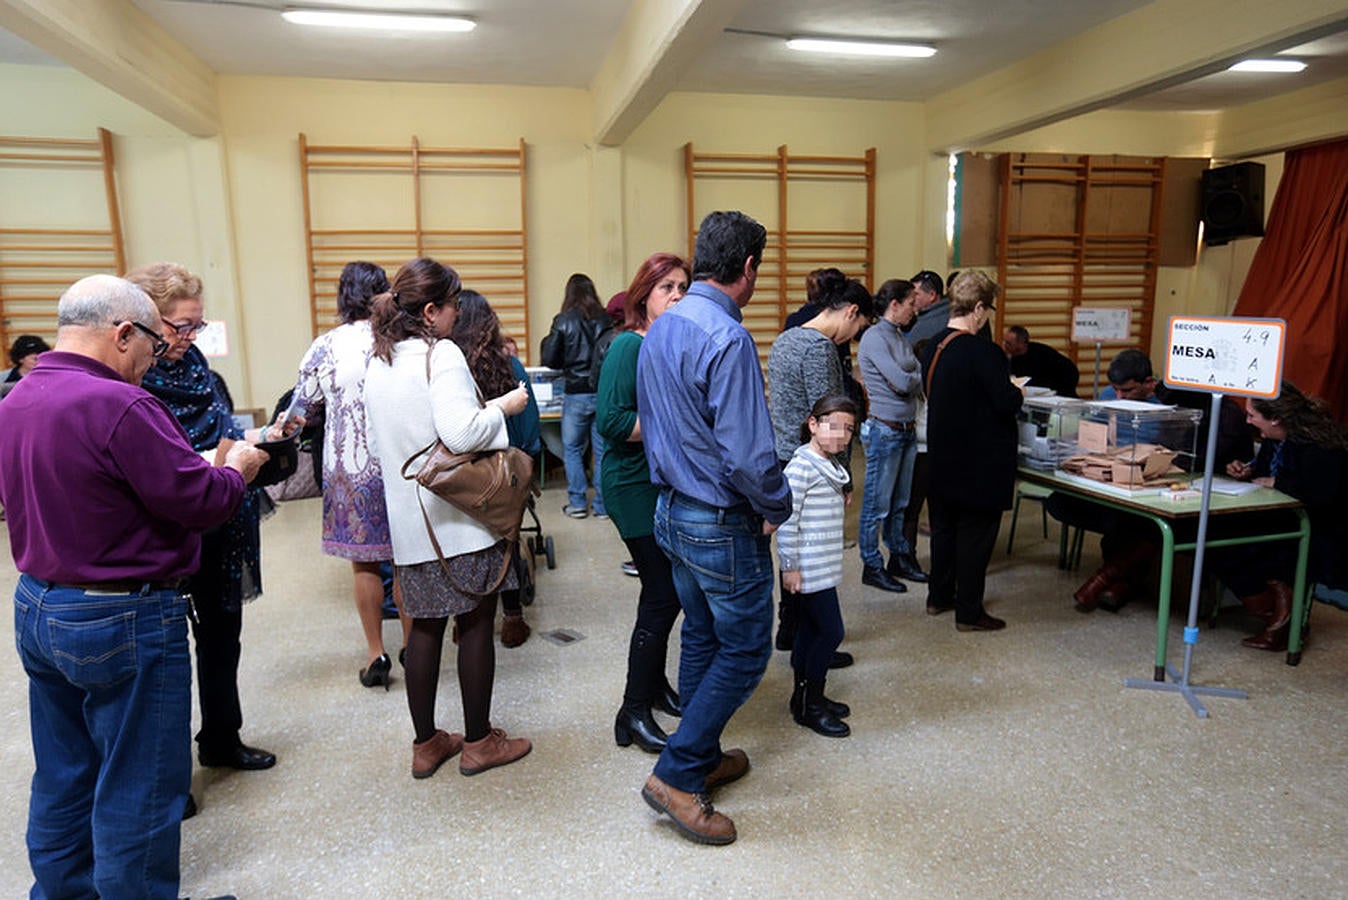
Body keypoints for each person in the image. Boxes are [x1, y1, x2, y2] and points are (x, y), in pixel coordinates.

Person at [0, 274, 265, 899]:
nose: (156, 357)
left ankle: (63, 892)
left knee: (65, 773)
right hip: (122, 617)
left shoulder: (17, 399)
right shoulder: (122, 406)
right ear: (123, 334)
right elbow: (199, 503)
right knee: (138, 784)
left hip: (40, 603)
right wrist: (238, 470)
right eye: (153, 342)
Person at [636, 210, 791, 846]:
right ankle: (676, 773)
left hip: (672, 512)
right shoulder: (727, 339)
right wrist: (780, 504)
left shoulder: (661, 328)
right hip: (720, 522)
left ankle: (697, 755)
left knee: (701, 632)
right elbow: (750, 458)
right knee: (749, 646)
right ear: (748, 269)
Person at [363, 257, 533, 778]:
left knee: (425, 631)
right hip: (456, 516)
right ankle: (480, 742)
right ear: (431, 310)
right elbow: (461, 435)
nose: (460, 312)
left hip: (410, 521)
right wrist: (504, 407)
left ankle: (426, 743)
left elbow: (377, 446)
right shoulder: (443, 355)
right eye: (454, 303)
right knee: (477, 620)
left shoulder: (380, 361)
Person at [126, 262, 282, 773]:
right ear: (148, 320)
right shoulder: (132, 376)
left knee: (221, 638)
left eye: (197, 325)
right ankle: (166, 775)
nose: (189, 336)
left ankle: (221, 738)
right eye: (180, 326)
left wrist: (260, 441)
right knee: (164, 656)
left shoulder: (198, 369)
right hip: (164, 530)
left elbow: (222, 430)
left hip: (220, 516)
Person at [1056, 348, 1253, 611]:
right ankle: (1120, 585)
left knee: (1142, 525)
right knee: (1125, 519)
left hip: (1212, 497)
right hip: (1177, 483)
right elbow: (1173, 448)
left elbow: (1197, 458)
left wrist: (1155, 464)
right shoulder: (1186, 407)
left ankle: (1107, 579)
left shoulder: (1225, 415)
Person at [290, 261, 402, 688]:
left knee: (365, 566)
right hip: (400, 466)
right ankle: (415, 644)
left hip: (349, 471)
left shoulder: (325, 346)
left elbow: (301, 412)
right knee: (405, 563)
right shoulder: (399, 339)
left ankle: (377, 653)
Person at [595, 252, 690, 754]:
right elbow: (611, 421)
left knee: (664, 593)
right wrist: (675, 428)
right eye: (665, 287)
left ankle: (653, 689)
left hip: (657, 483)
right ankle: (633, 709)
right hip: (631, 486)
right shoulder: (628, 346)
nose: (676, 295)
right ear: (643, 296)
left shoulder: (662, 344)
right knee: (663, 595)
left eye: (682, 287)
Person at [767, 273, 873, 649]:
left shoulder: (786, 338)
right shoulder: (818, 347)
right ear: (851, 312)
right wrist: (842, 475)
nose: (852, 338)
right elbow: (833, 421)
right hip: (814, 464)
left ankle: (790, 630)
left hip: (783, 459)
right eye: (858, 328)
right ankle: (812, 641)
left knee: (794, 551)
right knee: (813, 557)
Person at [1209, 382, 1348, 651]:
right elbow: (1266, 473)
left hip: (1321, 530)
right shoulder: (1276, 437)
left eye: (1252, 415)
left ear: (1275, 418)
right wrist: (1248, 471)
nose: (1247, 420)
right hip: (1282, 517)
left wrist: (1277, 482)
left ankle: (1281, 619)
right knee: (1217, 540)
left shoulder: (1320, 446)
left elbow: (1321, 495)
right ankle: (1277, 615)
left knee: (1238, 548)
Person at [920, 270, 1023, 631]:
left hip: (942, 456)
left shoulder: (934, 344)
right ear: (978, 307)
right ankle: (969, 612)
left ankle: (939, 596)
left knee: (944, 532)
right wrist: (1018, 392)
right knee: (975, 538)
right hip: (978, 464)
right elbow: (1004, 401)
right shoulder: (984, 352)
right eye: (988, 309)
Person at [450, 288, 541, 648]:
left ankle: (464, 623)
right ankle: (513, 620)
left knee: (463, 548)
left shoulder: (447, 368)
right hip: (505, 474)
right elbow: (530, 428)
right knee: (508, 542)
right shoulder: (509, 364)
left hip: (462, 475)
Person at [778, 395, 858, 739]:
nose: (841, 434)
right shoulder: (800, 466)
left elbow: (836, 479)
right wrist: (790, 566)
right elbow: (786, 521)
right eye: (834, 425)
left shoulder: (830, 465)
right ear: (813, 424)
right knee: (830, 632)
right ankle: (811, 704)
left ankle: (805, 698)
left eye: (849, 429)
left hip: (824, 564)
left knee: (810, 632)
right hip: (808, 567)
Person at [856, 278, 927, 593]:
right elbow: (903, 380)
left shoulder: (899, 336)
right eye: (910, 302)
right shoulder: (874, 338)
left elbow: (917, 374)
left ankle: (899, 556)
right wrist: (913, 377)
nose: (915, 308)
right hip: (884, 430)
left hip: (907, 429)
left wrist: (913, 377)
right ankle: (872, 564)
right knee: (876, 505)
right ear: (894, 304)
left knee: (900, 503)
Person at [540, 272, 613, 519]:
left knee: (572, 449)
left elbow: (549, 360)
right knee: (602, 452)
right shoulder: (605, 319)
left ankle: (578, 503)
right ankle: (603, 507)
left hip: (576, 394)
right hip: (602, 393)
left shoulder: (563, 320)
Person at [1002, 324, 1080, 397]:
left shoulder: (1042, 354)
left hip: (1061, 381)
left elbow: (1069, 372)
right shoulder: (1009, 356)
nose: (1004, 345)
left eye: (1008, 344)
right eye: (1005, 342)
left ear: (1021, 344)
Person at [903, 269, 948, 345]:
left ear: (932, 295)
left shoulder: (922, 329)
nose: (912, 299)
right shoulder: (955, 314)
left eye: (916, 294)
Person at [1, 333, 49, 399]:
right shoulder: (3, 378)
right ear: (20, 359)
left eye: (42, 358)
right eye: (35, 359)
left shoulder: (50, 377)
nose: (39, 362)